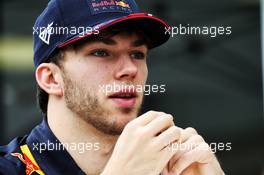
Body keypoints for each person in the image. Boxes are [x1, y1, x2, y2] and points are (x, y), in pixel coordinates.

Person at [0, 0, 225, 174]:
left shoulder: (171, 166)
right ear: (51, 79)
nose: (130, 69)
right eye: (101, 52)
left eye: (137, 54)